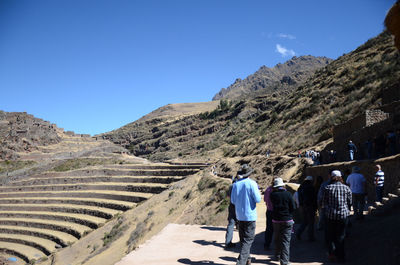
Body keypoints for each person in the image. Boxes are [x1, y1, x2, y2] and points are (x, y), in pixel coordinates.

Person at [231, 164, 261, 265]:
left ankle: (248, 260)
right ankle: (240, 262)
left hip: (239, 216)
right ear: (249, 174)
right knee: (248, 241)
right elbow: (258, 199)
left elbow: (233, 201)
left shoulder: (235, 184)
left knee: (243, 240)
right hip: (250, 216)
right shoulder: (252, 184)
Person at [323, 170, 352, 263]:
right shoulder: (346, 188)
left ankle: (332, 255)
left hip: (330, 216)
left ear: (331, 177)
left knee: (330, 236)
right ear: (340, 177)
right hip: (343, 216)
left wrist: (328, 210)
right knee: (341, 236)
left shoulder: (327, 188)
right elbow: (349, 202)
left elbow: (324, 203)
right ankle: (341, 256)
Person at [270, 178, 296, 265]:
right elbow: (293, 207)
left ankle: (277, 255)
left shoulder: (272, 195)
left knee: (277, 238)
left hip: (276, 220)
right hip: (287, 219)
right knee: (285, 241)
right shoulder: (288, 194)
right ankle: (284, 261)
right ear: (282, 185)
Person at [296, 176, 317, 241]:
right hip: (310, 206)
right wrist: (315, 207)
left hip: (303, 206)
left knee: (305, 221)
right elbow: (314, 198)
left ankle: (298, 232)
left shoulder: (301, 187)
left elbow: (299, 197)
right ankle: (311, 237)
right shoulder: (311, 187)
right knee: (311, 222)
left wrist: (301, 204)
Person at [225, 176, 239, 248]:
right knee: (242, 224)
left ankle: (228, 242)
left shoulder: (231, 187)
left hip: (231, 206)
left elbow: (227, 196)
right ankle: (243, 243)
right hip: (239, 207)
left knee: (231, 224)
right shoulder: (240, 186)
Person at [264, 180, 274, 250]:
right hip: (277, 211)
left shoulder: (268, 189)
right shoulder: (281, 190)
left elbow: (265, 199)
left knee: (269, 228)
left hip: (269, 210)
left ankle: (267, 244)